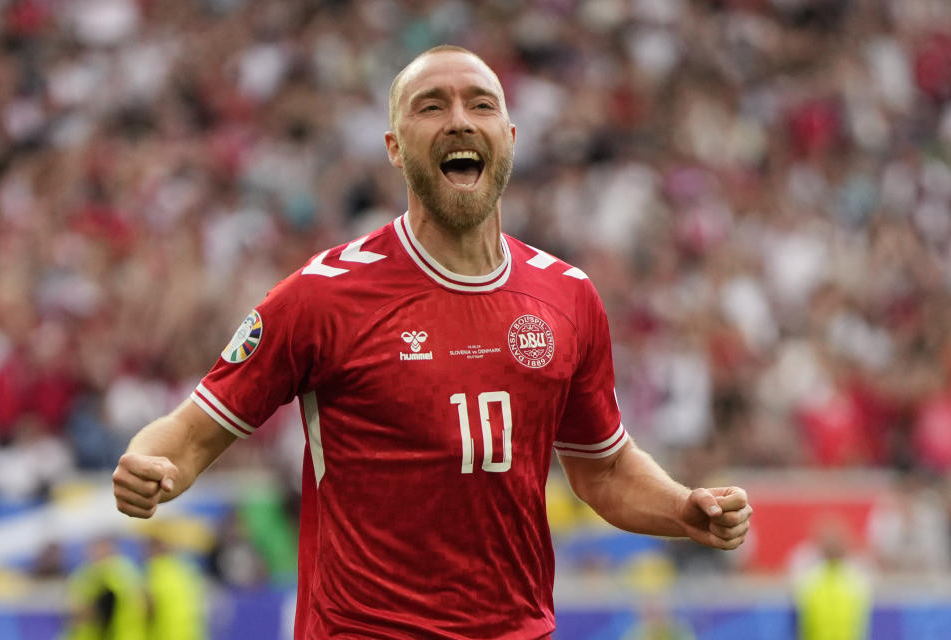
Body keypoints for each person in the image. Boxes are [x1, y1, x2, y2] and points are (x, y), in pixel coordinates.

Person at [112, 45, 753, 639]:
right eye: (431, 106)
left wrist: (682, 509)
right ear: (394, 146)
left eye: (481, 104)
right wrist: (150, 464)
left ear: (510, 137)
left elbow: (605, 469)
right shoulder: (323, 296)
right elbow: (191, 433)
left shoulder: (569, 296)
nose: (459, 121)